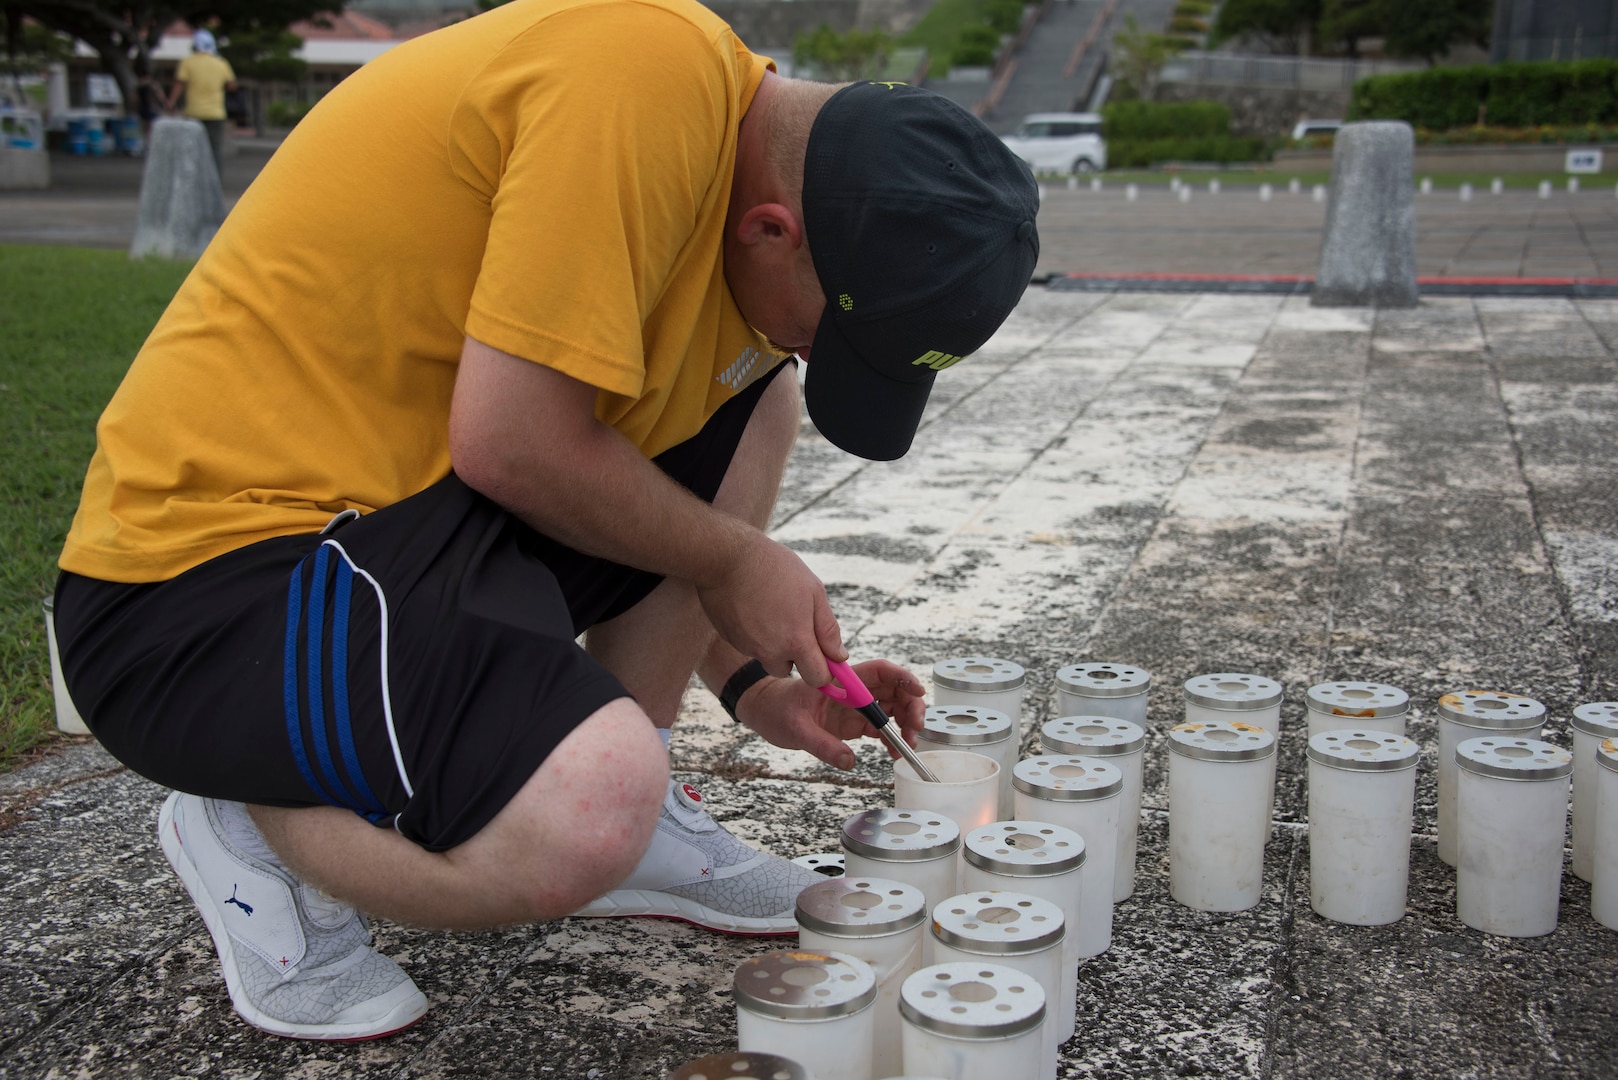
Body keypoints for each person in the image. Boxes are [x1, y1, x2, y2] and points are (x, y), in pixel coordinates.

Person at [54, 0, 1039, 1043]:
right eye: (829, 335)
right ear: (770, 229)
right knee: (585, 813)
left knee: (751, 392)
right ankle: (246, 814)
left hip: (409, 521)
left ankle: (648, 800)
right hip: (212, 587)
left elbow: (632, 479)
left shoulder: (717, 149)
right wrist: (735, 556)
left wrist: (751, 688)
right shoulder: (631, 88)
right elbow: (514, 443)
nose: (810, 351)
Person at [165, 28, 236, 180]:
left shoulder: (188, 62)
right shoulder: (221, 63)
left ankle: (193, 181)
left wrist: (171, 102)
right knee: (214, 150)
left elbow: (179, 84)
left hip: (193, 113)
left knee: (192, 149)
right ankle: (214, 181)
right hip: (216, 113)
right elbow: (231, 85)